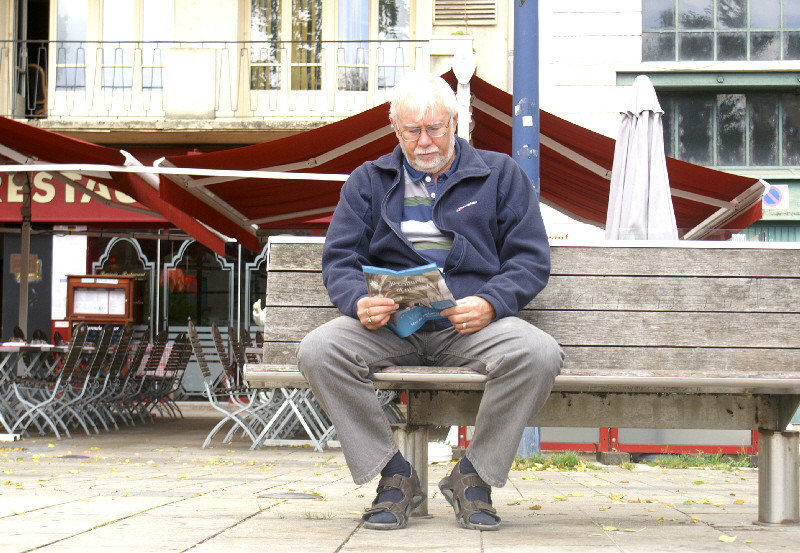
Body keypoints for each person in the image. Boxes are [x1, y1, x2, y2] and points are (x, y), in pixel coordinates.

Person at [297, 71, 564, 531]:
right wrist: (359, 301)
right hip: (389, 327)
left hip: (469, 325)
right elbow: (339, 260)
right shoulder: (368, 181)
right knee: (318, 351)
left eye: (434, 127)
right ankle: (394, 475)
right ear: (396, 130)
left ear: (455, 122)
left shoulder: (500, 176)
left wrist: (491, 302)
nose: (424, 141)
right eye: (412, 131)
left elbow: (530, 260)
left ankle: (473, 476)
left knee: (539, 353)